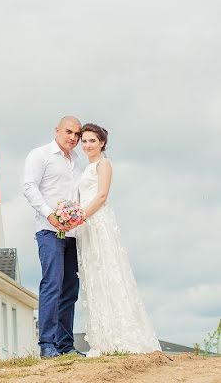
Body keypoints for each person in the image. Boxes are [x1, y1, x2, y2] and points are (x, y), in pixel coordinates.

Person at [75, 123, 160, 356]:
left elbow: (101, 196)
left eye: (92, 140)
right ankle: (102, 340)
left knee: (108, 272)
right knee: (93, 277)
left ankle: (123, 335)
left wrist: (80, 215)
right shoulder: (85, 168)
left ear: (102, 143)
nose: (87, 145)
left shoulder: (104, 164)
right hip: (86, 226)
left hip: (98, 221)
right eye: (84, 141)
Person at [21, 116, 85, 358]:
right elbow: (29, 187)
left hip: (74, 233)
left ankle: (65, 345)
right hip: (49, 231)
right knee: (52, 284)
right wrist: (49, 215)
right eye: (69, 132)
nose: (73, 138)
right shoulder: (40, 155)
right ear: (57, 130)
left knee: (70, 288)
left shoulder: (77, 162)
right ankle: (46, 344)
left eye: (77, 135)